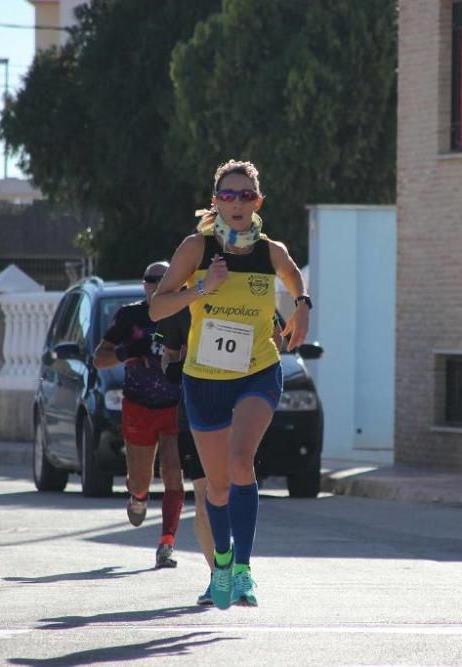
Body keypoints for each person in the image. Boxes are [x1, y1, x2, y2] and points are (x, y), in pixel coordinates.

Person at [150, 159, 311, 609]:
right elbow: (157, 309)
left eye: (245, 196)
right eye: (228, 195)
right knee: (216, 488)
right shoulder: (196, 250)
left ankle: (242, 569)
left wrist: (302, 305)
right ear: (215, 202)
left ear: (257, 202)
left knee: (243, 462)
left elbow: (293, 274)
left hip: (258, 370)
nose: (237, 203)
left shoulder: (270, 251)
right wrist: (203, 290)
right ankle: (221, 563)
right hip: (204, 381)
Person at [93, 261, 186, 569]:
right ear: (144, 285)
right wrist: (127, 351)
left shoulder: (183, 312)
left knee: (173, 471)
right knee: (141, 480)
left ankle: (166, 544)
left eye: (164, 279)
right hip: (138, 406)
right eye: (151, 280)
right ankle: (138, 496)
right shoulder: (129, 316)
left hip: (173, 404)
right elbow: (99, 360)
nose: (157, 284)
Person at [156, 306, 215, 605]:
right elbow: (169, 355)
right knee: (204, 498)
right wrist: (172, 365)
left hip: (238, 412)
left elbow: (276, 339)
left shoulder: (245, 287)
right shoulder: (180, 304)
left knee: (232, 492)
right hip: (193, 414)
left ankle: (238, 565)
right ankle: (219, 576)